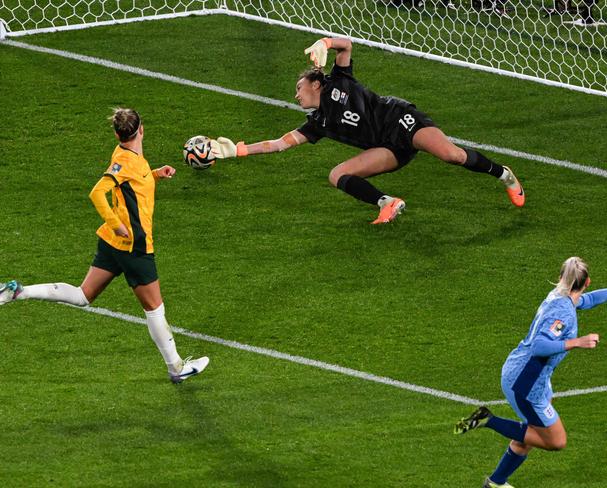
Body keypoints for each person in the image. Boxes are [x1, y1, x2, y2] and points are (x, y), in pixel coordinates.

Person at [207, 37, 525, 224]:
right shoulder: (317, 123)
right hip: (387, 149)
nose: (296, 95)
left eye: (299, 88)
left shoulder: (338, 82)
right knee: (337, 174)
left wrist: (325, 42)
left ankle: (504, 174)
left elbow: (347, 47)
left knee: (452, 155)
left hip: (399, 120)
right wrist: (238, 150)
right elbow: (279, 144)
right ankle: (386, 202)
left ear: (316, 83)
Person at [0, 108, 209, 384]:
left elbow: (130, 180)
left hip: (112, 245)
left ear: (118, 134)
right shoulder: (127, 160)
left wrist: (156, 174)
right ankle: (175, 367)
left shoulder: (124, 155)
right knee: (154, 309)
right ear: (142, 129)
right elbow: (97, 192)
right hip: (133, 246)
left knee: (83, 295)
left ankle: (19, 293)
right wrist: (115, 223)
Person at [453, 257, 607, 488]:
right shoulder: (563, 312)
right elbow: (539, 347)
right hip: (525, 383)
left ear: (562, 279)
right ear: (587, 282)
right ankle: (488, 420)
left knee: (530, 434)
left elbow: (590, 299)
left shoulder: (559, 296)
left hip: (528, 374)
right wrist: (577, 342)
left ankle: (496, 482)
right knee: (556, 441)